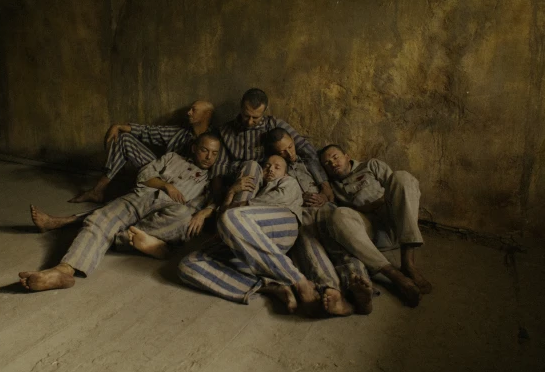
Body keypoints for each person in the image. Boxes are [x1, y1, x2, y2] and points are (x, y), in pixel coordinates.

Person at [18, 133, 221, 292]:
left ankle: (141, 241)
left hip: (171, 212)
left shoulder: (212, 180)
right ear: (194, 148)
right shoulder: (172, 158)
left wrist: (204, 212)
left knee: (183, 217)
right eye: (204, 150)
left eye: (214, 153)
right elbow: (144, 175)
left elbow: (215, 202)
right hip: (142, 197)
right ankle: (63, 270)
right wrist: (166, 185)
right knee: (100, 219)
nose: (208, 157)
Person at [178, 155, 321, 315]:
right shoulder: (253, 190)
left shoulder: (288, 182)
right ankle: (271, 286)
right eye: (267, 166)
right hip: (248, 246)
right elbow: (223, 220)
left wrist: (241, 205)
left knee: (231, 217)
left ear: (285, 173)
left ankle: (298, 280)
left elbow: (279, 199)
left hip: (281, 225)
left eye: (277, 167)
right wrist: (232, 192)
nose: (270, 170)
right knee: (188, 265)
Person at [265, 128, 373, 316]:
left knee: (339, 244)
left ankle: (360, 289)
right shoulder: (276, 168)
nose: (289, 153)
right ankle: (332, 291)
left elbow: (329, 188)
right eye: (283, 152)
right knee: (310, 247)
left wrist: (324, 195)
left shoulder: (310, 161)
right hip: (301, 215)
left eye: (290, 147)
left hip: (324, 209)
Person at [318, 144, 432, 307]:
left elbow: (397, 189)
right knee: (338, 215)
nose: (333, 163)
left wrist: (376, 203)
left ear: (347, 156)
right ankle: (395, 275)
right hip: (370, 235)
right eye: (327, 163)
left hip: (396, 223)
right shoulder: (332, 187)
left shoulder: (371, 166)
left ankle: (408, 263)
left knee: (402, 177)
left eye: (335, 157)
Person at [69, 100, 214, 203]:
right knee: (124, 139)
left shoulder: (214, 142)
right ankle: (97, 191)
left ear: (206, 115)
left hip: (185, 185)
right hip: (161, 172)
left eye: (194, 110)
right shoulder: (181, 132)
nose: (189, 113)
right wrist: (118, 126)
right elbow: (150, 131)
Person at [212, 88, 333, 208]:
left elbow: (307, 150)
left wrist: (325, 185)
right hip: (238, 181)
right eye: (246, 116)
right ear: (241, 108)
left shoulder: (274, 124)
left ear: (264, 111)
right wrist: (217, 198)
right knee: (251, 166)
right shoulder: (225, 132)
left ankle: (240, 212)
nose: (249, 122)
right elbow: (219, 167)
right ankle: (237, 212)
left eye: (255, 118)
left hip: (271, 183)